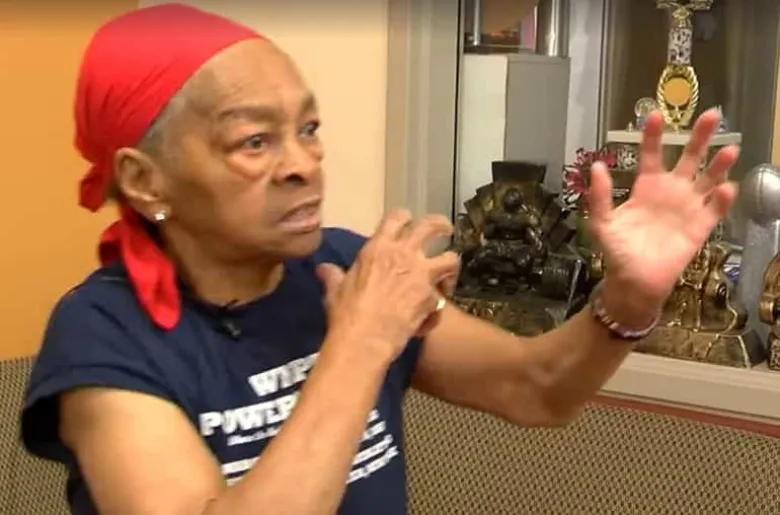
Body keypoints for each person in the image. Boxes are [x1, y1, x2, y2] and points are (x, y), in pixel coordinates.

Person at [21, 4, 737, 515]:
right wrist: (361, 342)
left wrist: (631, 296)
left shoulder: (340, 263)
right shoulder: (103, 335)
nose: (303, 164)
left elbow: (537, 388)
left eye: (308, 128)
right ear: (145, 180)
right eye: (254, 142)